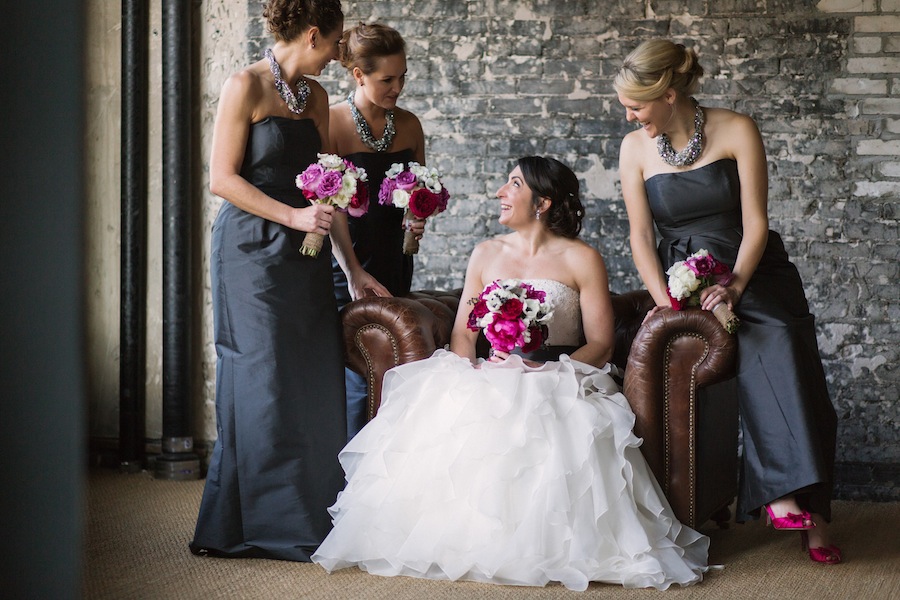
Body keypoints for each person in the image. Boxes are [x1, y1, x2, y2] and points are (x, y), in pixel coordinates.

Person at [311, 156, 709, 591]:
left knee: (555, 415)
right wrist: (473, 371)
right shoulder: (485, 254)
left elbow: (600, 343)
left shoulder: (582, 259)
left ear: (542, 202)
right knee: (467, 411)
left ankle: (552, 546)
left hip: (559, 371)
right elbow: (464, 335)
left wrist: (549, 369)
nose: (500, 192)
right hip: (491, 369)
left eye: (513, 184)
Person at [615, 39, 840, 565]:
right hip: (681, 274)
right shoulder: (633, 148)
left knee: (781, 337)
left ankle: (812, 514)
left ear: (670, 95)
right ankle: (783, 495)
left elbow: (757, 221)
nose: (628, 115)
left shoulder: (737, 128)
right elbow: (641, 237)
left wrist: (736, 285)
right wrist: (665, 301)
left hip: (749, 266)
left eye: (637, 105)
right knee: (734, 331)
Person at [190, 0, 383, 562]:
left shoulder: (318, 98)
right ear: (315, 34)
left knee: (308, 377)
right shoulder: (243, 86)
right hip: (249, 253)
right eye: (338, 40)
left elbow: (331, 191)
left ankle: (303, 517)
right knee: (263, 378)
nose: (342, 49)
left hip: (307, 254)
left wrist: (351, 269)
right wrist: (294, 216)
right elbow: (222, 180)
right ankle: (247, 524)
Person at [328, 22, 428, 440]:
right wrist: (352, 269)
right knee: (354, 373)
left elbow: (422, 185)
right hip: (345, 263)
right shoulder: (331, 123)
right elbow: (327, 205)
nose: (398, 87)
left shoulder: (409, 126)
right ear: (358, 75)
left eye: (403, 76)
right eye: (387, 79)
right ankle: (346, 487)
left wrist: (419, 216)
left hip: (393, 260)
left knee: (393, 372)